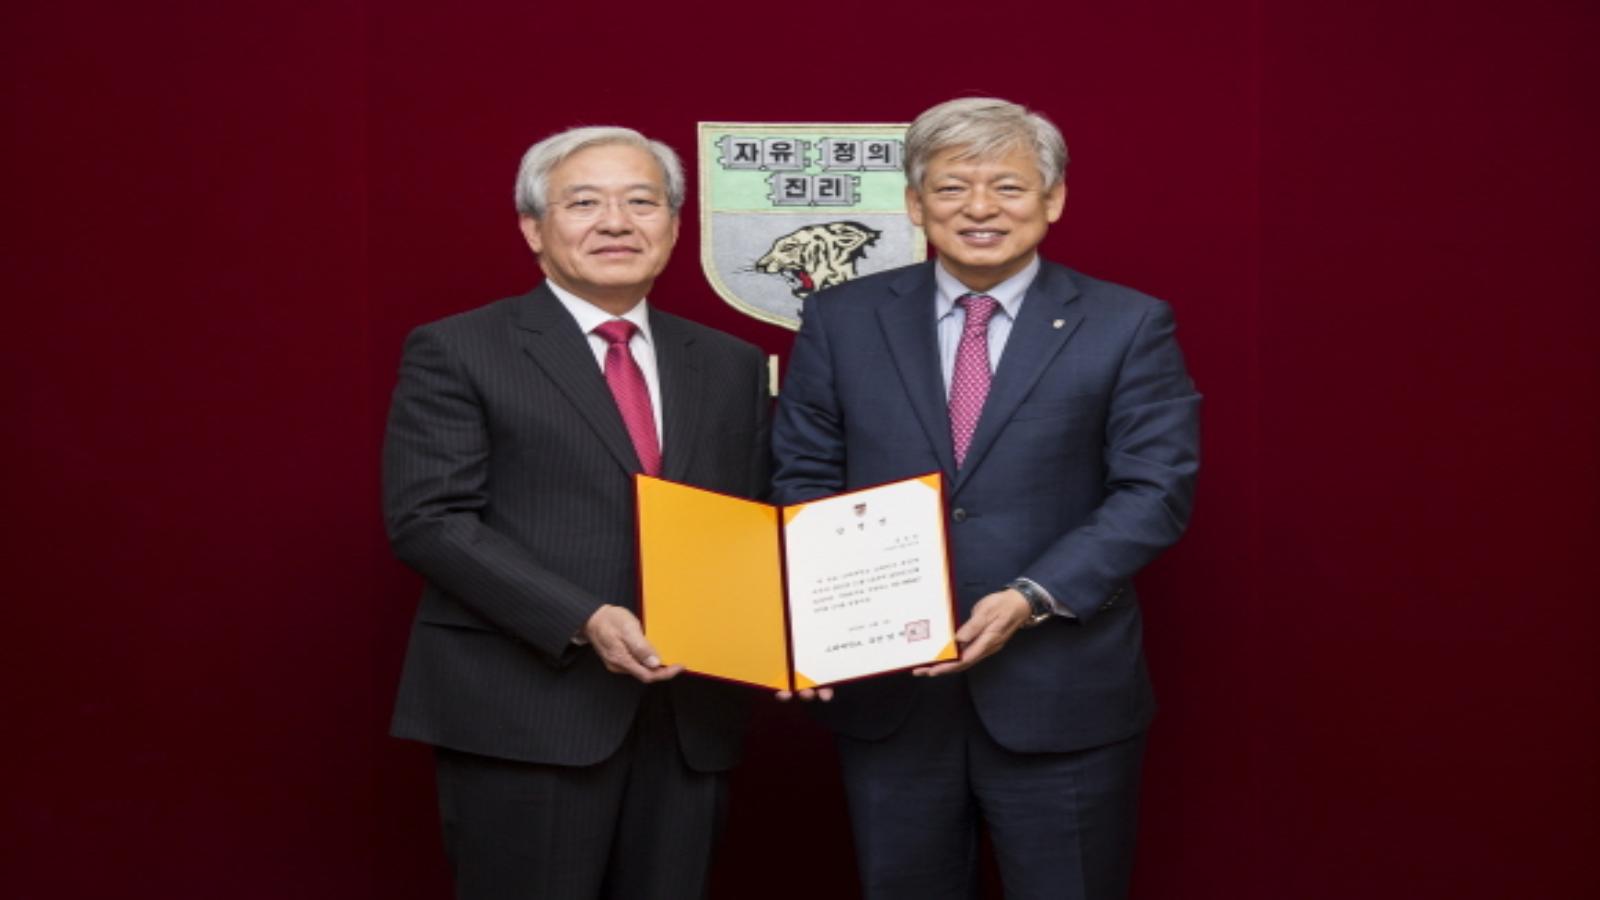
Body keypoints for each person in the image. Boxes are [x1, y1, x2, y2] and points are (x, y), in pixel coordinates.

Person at [771, 97, 1201, 899]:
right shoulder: (840, 318)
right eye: (951, 188)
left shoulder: (1128, 323)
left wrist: (1032, 596)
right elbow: (803, 476)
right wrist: (819, 625)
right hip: (888, 694)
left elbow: (1155, 490)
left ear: (1053, 199)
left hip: (1062, 693)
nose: (979, 209)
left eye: (1007, 186)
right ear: (914, 204)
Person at [382, 126, 770, 900]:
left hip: (689, 715)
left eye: (642, 203)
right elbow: (430, 518)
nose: (616, 223)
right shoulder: (460, 348)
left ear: (674, 227)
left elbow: (755, 518)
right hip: (527, 708)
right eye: (584, 203)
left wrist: (804, 634)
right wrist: (583, 617)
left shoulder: (729, 362)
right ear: (534, 228)